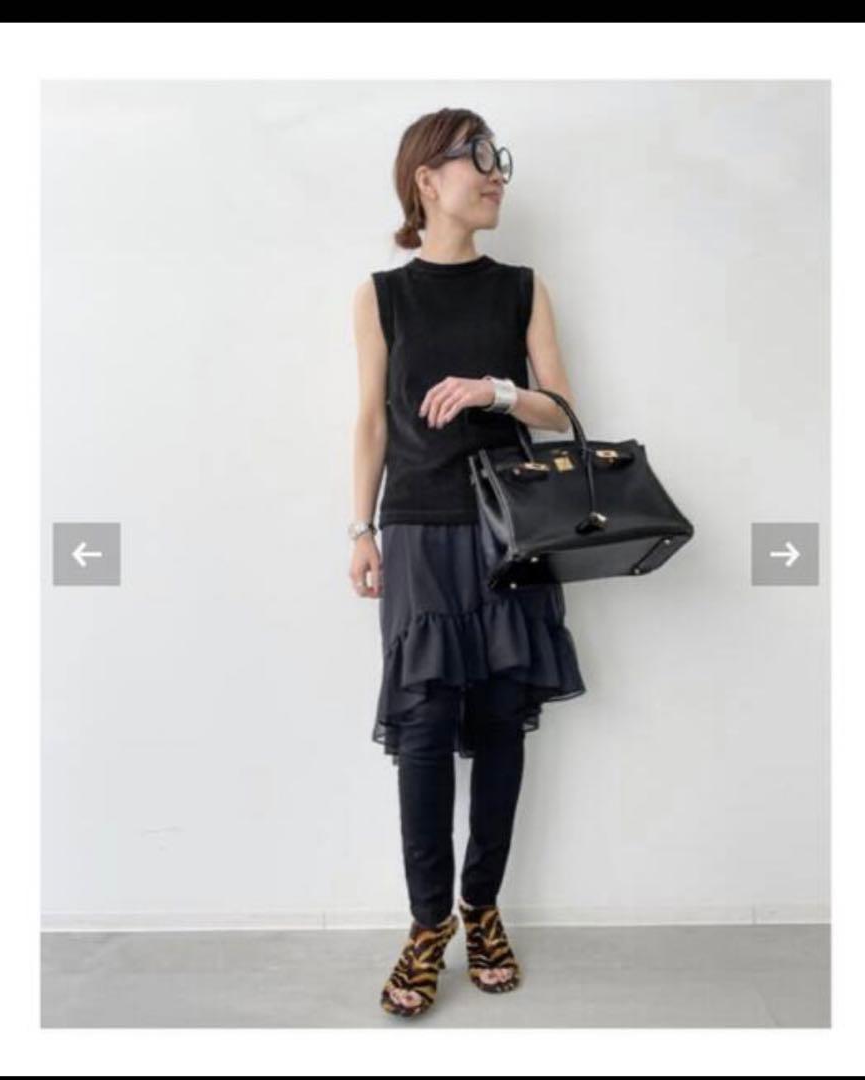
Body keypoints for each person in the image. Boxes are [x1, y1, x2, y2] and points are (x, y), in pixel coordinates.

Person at [349, 108, 587, 1018]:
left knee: (497, 722)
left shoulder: (522, 288)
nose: (496, 174)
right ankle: (427, 926)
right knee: (421, 728)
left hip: (508, 530)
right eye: (478, 158)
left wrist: (496, 390)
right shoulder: (381, 294)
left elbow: (560, 410)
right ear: (427, 179)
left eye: (499, 159)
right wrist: (359, 529)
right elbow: (371, 421)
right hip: (416, 527)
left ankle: (482, 910)